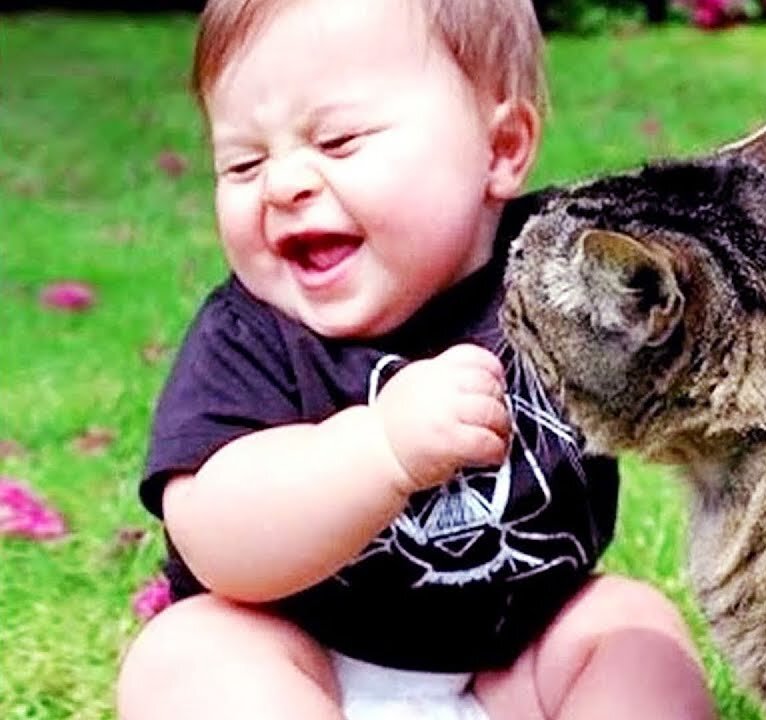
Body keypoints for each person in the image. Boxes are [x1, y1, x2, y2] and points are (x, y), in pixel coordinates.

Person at [115, 1, 715, 718]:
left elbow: (702, 327)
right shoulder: (250, 332)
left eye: (337, 141)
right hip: (304, 660)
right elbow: (214, 536)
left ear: (501, 150)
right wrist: (382, 450)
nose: (281, 185)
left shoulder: (562, 271)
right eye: (242, 163)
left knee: (632, 632)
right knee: (189, 653)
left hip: (518, 660)